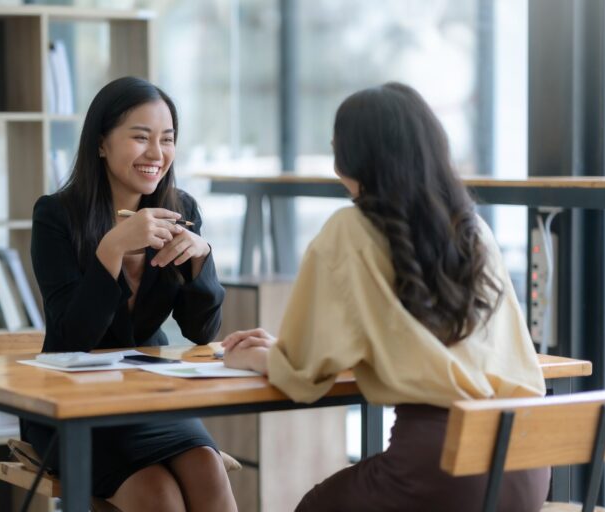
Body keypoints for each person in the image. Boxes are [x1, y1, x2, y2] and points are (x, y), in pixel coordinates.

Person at [222, 82, 549, 512]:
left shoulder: (350, 230)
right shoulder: (473, 229)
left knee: (314, 506)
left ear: (349, 157)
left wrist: (260, 358)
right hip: (528, 462)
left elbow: (303, 374)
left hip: (445, 466)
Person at [28, 76, 237, 512]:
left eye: (167, 139)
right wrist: (112, 248)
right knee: (156, 493)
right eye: (140, 137)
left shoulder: (182, 210)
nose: (156, 153)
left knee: (207, 465)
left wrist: (202, 259)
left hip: (147, 396)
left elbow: (202, 332)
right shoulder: (56, 216)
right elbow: (72, 340)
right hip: (72, 403)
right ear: (101, 144)